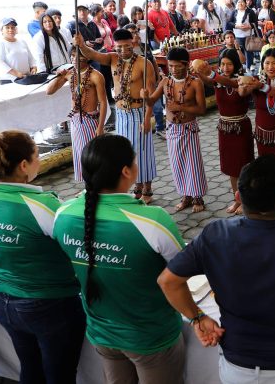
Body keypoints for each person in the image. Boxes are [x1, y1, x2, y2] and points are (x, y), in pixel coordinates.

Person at [157, 154, 275, 383]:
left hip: (236, 368)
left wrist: (197, 318)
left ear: (238, 197)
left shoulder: (215, 234)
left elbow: (168, 281)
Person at [54, 134, 186, 383]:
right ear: (127, 171)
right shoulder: (153, 219)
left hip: (102, 333)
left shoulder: (63, 215)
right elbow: (180, 271)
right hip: (150, 337)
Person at [0, 130, 85, 384]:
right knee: (59, 375)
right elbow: (79, 246)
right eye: (36, 156)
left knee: (30, 366)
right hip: (48, 304)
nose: (39, 160)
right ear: (23, 166)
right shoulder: (41, 205)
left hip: (0, 299)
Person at [76, 29, 158, 203]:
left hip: (138, 113)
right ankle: (136, 185)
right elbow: (92, 54)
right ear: (114, 46)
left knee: (142, 151)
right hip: (121, 114)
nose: (123, 50)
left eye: (127, 46)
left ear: (133, 43)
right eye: (119, 47)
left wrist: (147, 119)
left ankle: (147, 188)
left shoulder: (144, 64)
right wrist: (81, 44)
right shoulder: (112, 58)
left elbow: (151, 95)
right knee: (125, 152)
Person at [143, 47, 208, 212]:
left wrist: (180, 106)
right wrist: (146, 97)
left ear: (186, 65)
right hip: (172, 128)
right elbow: (151, 102)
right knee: (177, 164)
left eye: (177, 66)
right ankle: (185, 196)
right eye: (170, 66)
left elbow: (201, 109)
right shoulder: (165, 82)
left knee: (192, 164)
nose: (173, 69)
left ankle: (197, 197)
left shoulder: (195, 82)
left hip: (189, 128)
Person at [197, 49, 253, 214]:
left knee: (243, 166)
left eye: (229, 64)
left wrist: (212, 74)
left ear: (235, 64)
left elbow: (233, 84)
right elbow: (209, 81)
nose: (225, 67)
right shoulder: (217, 80)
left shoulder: (243, 79)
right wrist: (200, 73)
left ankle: (247, 201)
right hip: (224, 129)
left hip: (240, 128)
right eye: (222, 64)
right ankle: (237, 200)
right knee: (231, 167)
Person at [46, 50, 107, 182]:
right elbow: (49, 91)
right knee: (79, 154)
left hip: (91, 120)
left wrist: (100, 127)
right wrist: (59, 77)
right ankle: (87, 187)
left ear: (88, 57)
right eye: (73, 56)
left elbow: (103, 102)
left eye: (79, 56)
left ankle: (96, 186)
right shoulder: (69, 74)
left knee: (92, 156)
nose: (75, 59)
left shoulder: (96, 76)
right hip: (75, 119)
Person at [238, 48, 275, 181]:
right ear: (262, 64)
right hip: (263, 137)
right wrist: (243, 83)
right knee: (266, 174)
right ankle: (270, 201)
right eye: (267, 63)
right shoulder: (256, 80)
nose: (270, 67)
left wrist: (260, 86)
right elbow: (241, 93)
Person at [0, 17, 37, 84]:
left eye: (13, 27)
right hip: (9, 80)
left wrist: (34, 68)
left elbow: (31, 58)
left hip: (25, 78)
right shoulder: (1, 43)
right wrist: (17, 74)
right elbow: (0, 62)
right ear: (1, 30)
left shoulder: (22, 41)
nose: (10, 29)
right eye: (7, 27)